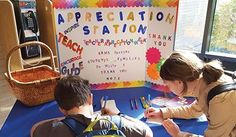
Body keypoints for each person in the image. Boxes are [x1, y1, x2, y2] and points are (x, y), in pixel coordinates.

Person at [144, 51, 236, 137]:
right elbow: (193, 111)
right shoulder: (205, 83)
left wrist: (179, 134)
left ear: (179, 82)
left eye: (168, 85)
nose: (169, 89)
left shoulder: (220, 100)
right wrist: (162, 112)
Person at [31, 75, 153, 137]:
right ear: (90, 98)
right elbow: (148, 133)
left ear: (61, 109)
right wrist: (118, 114)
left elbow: (34, 129)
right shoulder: (116, 123)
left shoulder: (54, 130)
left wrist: (67, 119)